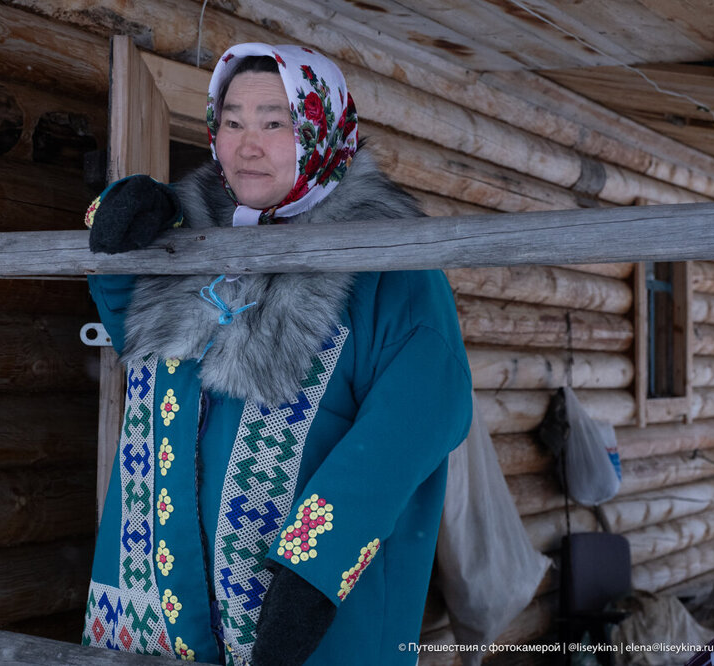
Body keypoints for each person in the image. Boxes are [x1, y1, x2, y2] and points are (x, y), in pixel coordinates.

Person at [81, 42, 472, 665]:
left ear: (320, 132)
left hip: (303, 614)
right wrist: (137, 224)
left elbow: (422, 416)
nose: (248, 144)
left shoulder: (388, 266)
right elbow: (135, 330)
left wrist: (311, 577)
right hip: (162, 601)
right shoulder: (199, 240)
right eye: (232, 122)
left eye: (275, 123)